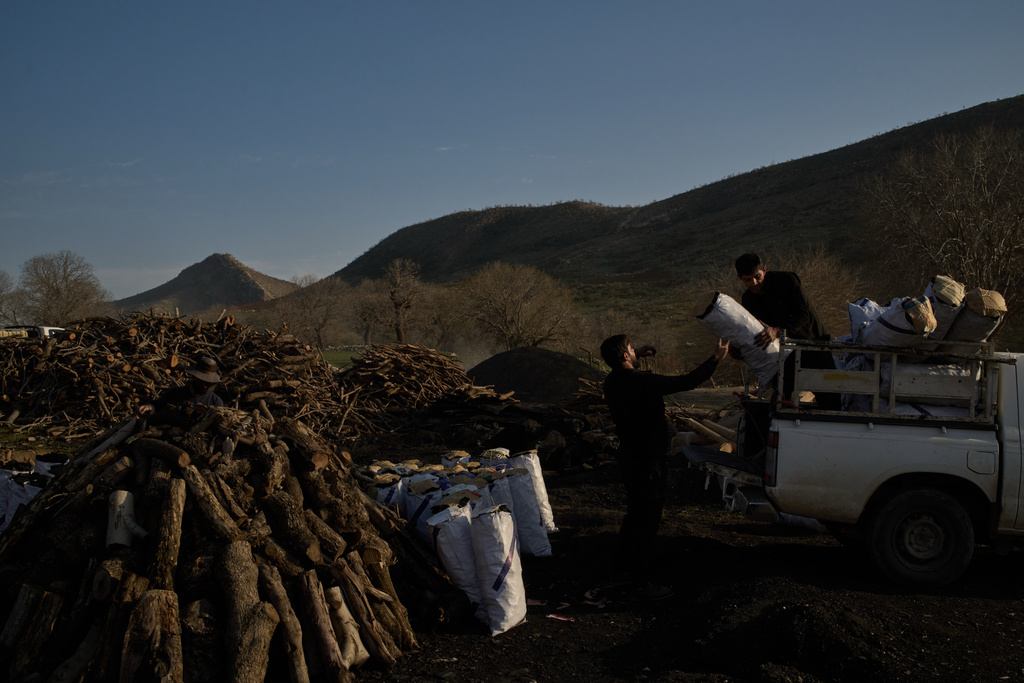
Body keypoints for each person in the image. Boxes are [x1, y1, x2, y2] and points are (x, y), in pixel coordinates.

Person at [600, 334, 729, 600]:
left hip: (630, 456)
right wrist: (716, 357)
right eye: (631, 349)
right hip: (649, 461)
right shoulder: (642, 381)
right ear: (625, 355)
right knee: (647, 519)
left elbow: (631, 373)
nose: (636, 350)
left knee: (634, 514)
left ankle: (621, 571)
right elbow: (688, 381)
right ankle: (639, 582)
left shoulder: (612, 381)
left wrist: (638, 355)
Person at [734, 253, 841, 410]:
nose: (754, 283)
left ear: (764, 270)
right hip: (784, 353)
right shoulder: (748, 300)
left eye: (757, 276)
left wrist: (777, 331)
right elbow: (754, 331)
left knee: (828, 396)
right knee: (781, 398)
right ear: (740, 278)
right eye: (748, 280)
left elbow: (804, 314)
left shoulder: (787, 281)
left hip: (813, 342)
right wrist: (738, 349)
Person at [137, 356, 225, 419]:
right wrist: (149, 407)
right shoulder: (176, 393)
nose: (204, 385)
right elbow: (158, 404)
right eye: (201, 381)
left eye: (208, 383)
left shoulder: (215, 402)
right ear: (194, 377)